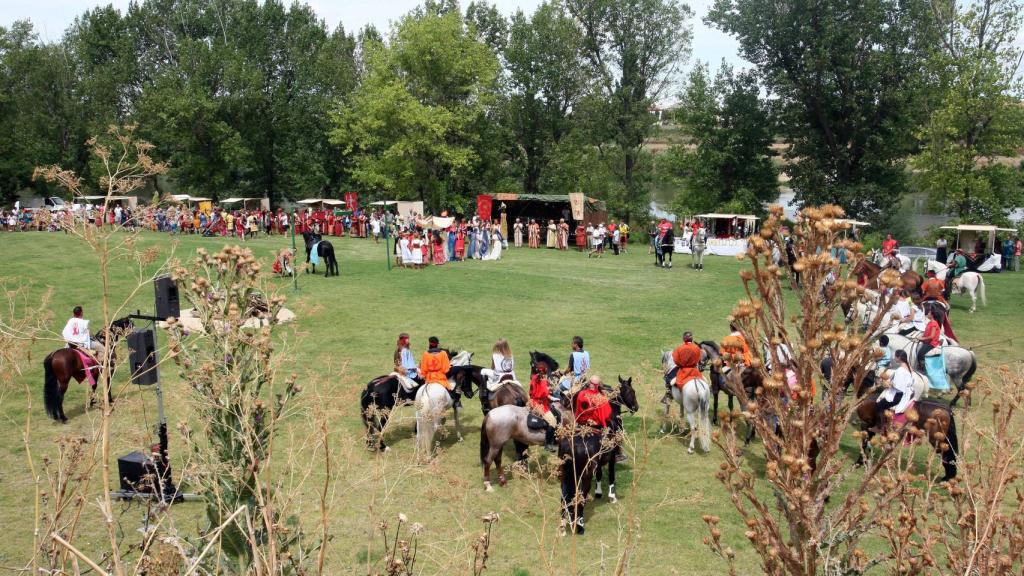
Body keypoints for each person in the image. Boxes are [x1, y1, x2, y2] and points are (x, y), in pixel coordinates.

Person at [876, 350, 915, 418]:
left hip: (896, 396)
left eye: (895, 356)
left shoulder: (900, 370)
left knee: (879, 406)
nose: (894, 358)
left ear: (899, 357)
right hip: (904, 394)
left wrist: (887, 383)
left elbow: (897, 385)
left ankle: (879, 425)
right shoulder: (909, 368)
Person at [529, 364, 558, 451]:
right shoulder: (543, 381)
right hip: (540, 405)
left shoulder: (534, 378)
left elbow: (531, 392)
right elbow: (545, 394)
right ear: (545, 372)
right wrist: (552, 397)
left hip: (532, 401)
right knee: (553, 421)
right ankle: (548, 444)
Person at [420, 336, 456, 404]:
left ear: (429, 344)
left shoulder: (425, 354)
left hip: (429, 378)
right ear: (437, 344)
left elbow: (423, 369)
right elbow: (446, 369)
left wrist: (424, 375)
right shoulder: (443, 353)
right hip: (440, 378)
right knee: (451, 392)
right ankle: (454, 401)